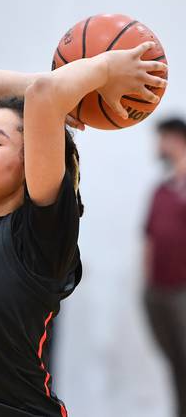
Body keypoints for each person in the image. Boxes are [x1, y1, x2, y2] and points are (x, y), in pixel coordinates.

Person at [0, 43, 167, 416]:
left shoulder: (40, 233)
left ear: (29, 167)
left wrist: (104, 67)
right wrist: (31, 85)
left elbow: (46, 97)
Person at [143, 118, 186, 417]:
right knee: (177, 365)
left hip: (182, 293)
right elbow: (149, 237)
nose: (158, 146)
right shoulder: (161, 189)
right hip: (157, 292)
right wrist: (147, 287)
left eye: (162, 139)